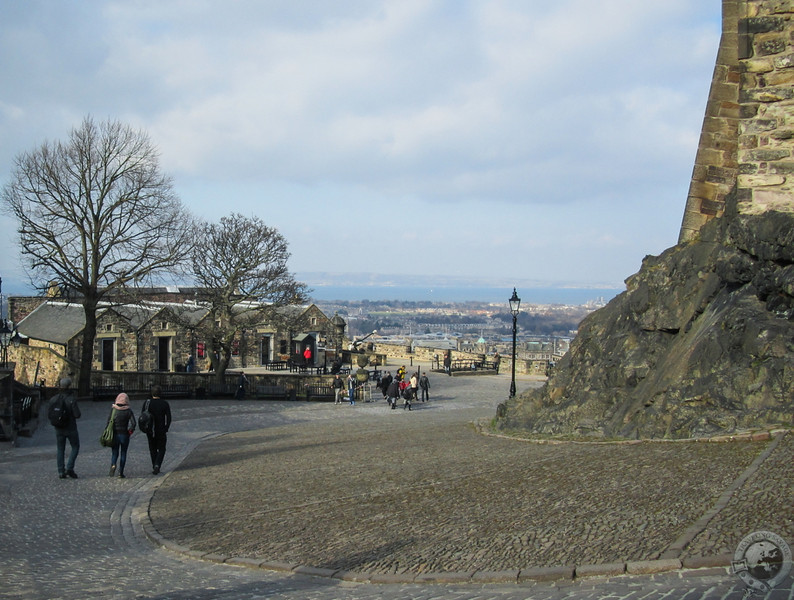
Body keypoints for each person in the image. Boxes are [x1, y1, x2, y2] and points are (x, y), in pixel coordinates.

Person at [49, 377, 81, 479]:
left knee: (60, 449)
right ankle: (69, 467)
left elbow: (50, 414)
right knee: (75, 447)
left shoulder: (53, 399)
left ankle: (60, 471)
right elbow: (77, 414)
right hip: (70, 428)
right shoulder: (71, 399)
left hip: (58, 428)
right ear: (69, 386)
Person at [144, 385, 172, 475]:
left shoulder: (147, 403)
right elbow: (169, 417)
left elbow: (143, 416)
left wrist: (144, 428)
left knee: (152, 448)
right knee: (162, 448)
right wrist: (166, 427)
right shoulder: (164, 403)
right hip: (160, 429)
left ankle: (154, 465)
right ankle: (157, 464)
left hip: (150, 429)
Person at [108, 393, 136, 478]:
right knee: (123, 453)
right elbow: (134, 423)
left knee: (114, 452)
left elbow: (108, 422)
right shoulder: (128, 411)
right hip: (124, 434)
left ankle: (113, 465)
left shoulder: (114, 410)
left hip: (115, 434)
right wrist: (130, 431)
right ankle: (121, 472)